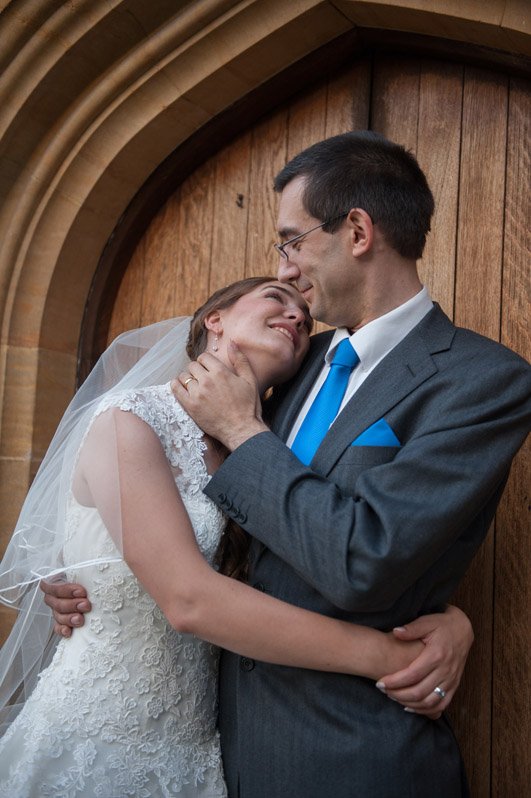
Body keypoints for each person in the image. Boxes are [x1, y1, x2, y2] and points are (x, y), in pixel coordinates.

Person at [0, 276, 466, 797]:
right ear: (213, 319)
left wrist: (454, 619)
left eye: (305, 318)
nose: (297, 316)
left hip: (203, 753)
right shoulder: (128, 422)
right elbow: (188, 599)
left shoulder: (269, 446)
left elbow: (321, 543)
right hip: (95, 740)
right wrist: (388, 656)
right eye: (275, 297)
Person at [166, 132, 530, 797]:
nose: (282, 270)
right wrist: (101, 573)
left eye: (290, 241)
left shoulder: (483, 380)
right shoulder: (294, 356)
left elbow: (364, 561)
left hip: (352, 758)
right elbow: (205, 505)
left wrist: (246, 432)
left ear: (356, 231)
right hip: (216, 750)